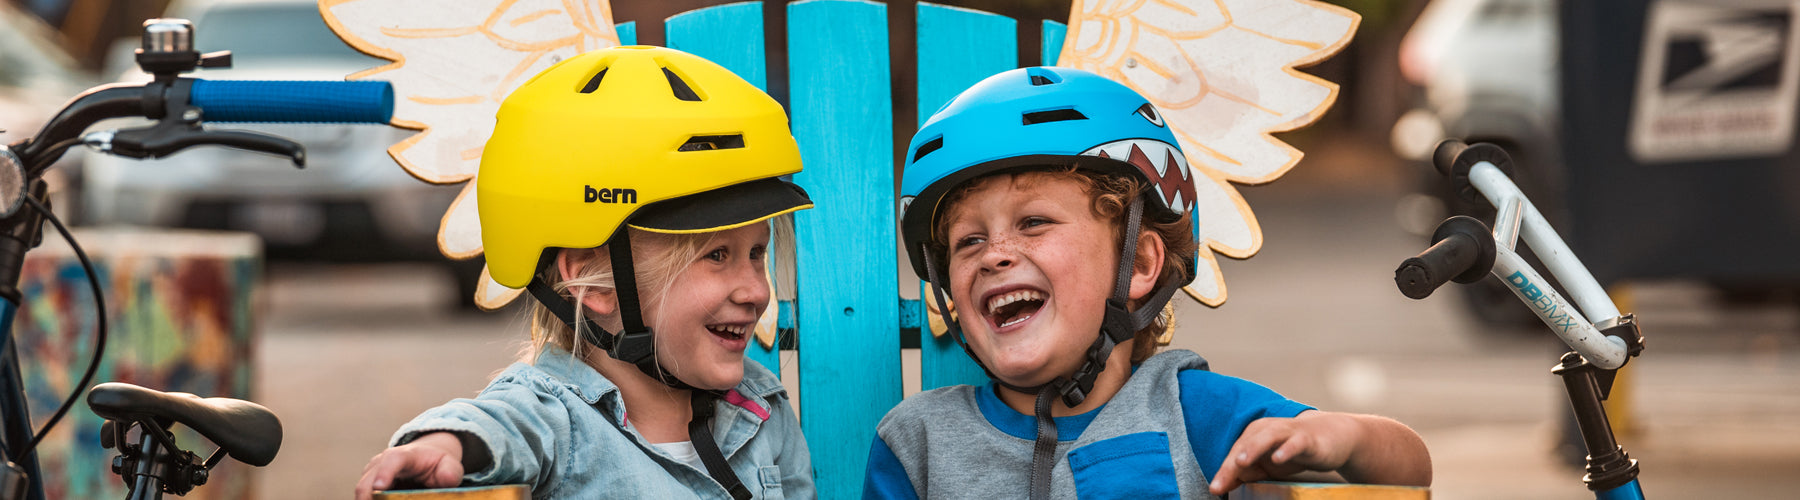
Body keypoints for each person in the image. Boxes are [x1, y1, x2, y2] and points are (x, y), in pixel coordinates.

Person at [865, 67, 1431, 499]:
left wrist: (1342, 438)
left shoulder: (1193, 412)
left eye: (1033, 222)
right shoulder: (919, 442)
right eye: (968, 242)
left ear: (1138, 265)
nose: (994, 256)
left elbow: (1410, 472)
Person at [353, 46, 814, 500]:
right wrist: (445, 444)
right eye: (717, 256)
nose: (756, 290)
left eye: (757, 252)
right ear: (593, 281)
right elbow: (498, 426)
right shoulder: (556, 419)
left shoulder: (765, 412)